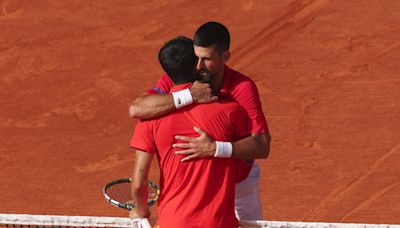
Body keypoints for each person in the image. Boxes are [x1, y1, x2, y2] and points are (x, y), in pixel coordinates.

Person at [129, 21, 271, 220]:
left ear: (225, 57)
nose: (198, 66)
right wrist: (189, 95)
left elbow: (262, 146)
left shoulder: (242, 88)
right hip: (202, 183)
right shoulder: (180, 77)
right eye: (196, 58)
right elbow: (137, 108)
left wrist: (216, 149)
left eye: (206, 59)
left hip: (239, 181)